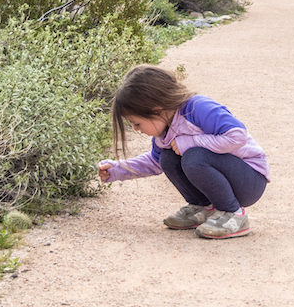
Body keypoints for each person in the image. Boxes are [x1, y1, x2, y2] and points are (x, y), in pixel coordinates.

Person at [97, 64, 269, 239]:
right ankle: (203, 208)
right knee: (167, 157)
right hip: (225, 182)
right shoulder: (164, 132)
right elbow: (154, 163)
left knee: (194, 158)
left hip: (250, 179)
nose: (135, 129)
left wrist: (191, 142)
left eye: (137, 123)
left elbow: (237, 136)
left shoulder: (198, 108)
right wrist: (116, 170)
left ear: (156, 110)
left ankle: (234, 215)